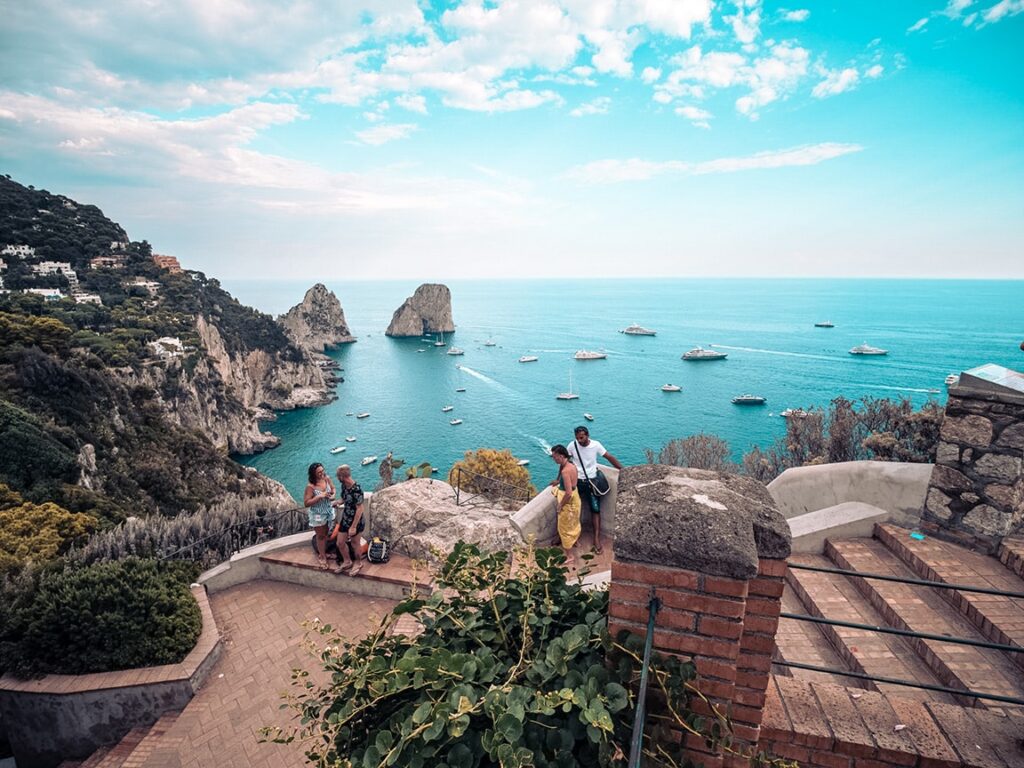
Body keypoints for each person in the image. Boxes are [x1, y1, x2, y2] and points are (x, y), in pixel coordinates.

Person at [566, 425, 622, 554]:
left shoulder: (595, 445)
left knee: (595, 510)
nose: (579, 440)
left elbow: (608, 456)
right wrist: (559, 479)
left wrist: (623, 469)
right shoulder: (572, 446)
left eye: (581, 437)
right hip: (577, 482)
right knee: (571, 508)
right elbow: (566, 463)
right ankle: (568, 536)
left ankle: (596, 538)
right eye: (577, 438)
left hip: (592, 482)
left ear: (587, 435)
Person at [549, 444, 581, 567]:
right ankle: (576, 541)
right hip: (576, 497)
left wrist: (560, 506)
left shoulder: (566, 471)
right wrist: (557, 481)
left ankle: (570, 556)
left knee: (564, 529)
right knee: (574, 522)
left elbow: (568, 493)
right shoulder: (571, 464)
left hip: (568, 501)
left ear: (561, 456)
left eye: (555, 457)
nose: (553, 459)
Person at [332, 464, 366, 574]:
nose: (337, 478)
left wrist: (353, 527)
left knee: (355, 544)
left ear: (342, 476)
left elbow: (360, 509)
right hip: (346, 518)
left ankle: (358, 562)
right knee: (340, 543)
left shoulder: (356, 489)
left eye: (338, 476)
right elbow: (344, 498)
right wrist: (338, 502)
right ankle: (347, 561)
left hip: (356, 521)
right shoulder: (344, 486)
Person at [303, 462, 336, 570]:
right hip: (317, 514)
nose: (322, 473)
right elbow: (306, 503)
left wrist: (332, 496)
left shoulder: (326, 479)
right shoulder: (310, 487)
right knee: (320, 535)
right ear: (313, 474)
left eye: (322, 470)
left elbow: (333, 489)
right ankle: (322, 556)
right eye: (319, 472)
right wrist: (319, 496)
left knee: (326, 534)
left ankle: (324, 552)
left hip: (328, 511)